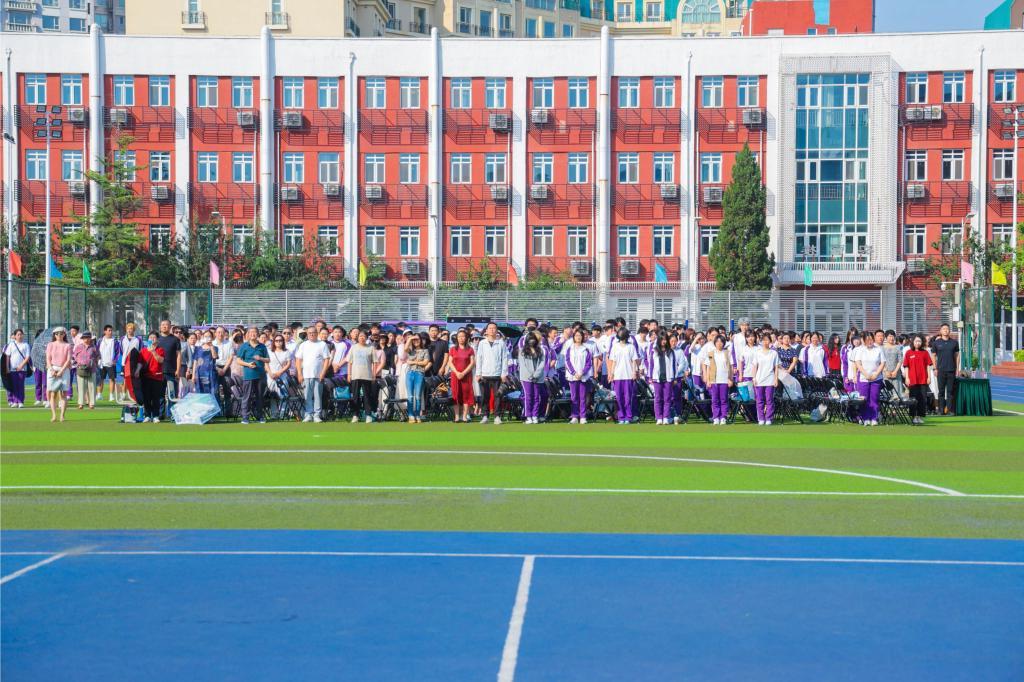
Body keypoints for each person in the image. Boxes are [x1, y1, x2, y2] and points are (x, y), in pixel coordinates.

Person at [474, 322, 509, 425]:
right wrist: (478, 373)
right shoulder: (482, 343)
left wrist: (504, 373)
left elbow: (505, 359)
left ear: (497, 330)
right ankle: (485, 416)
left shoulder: (501, 343)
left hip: (497, 374)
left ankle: (497, 416)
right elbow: (479, 358)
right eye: (490, 328)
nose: (492, 330)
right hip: (484, 374)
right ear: (486, 331)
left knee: (498, 396)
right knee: (485, 396)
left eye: (494, 328)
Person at [295, 327, 331, 423]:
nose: (311, 334)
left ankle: (317, 415)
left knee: (318, 396)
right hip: (306, 375)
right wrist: (299, 373)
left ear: (317, 333)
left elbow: (326, 359)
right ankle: (308, 414)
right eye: (310, 333)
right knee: (307, 396)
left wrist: (323, 372)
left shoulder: (322, 344)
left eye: (313, 332)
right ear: (307, 333)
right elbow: (298, 360)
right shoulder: (303, 345)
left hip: (318, 375)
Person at [234, 326, 269, 425]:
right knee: (247, 397)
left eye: (255, 332)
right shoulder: (244, 346)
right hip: (248, 375)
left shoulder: (262, 346)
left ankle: (260, 416)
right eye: (251, 332)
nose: (253, 334)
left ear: (258, 334)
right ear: (248, 334)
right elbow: (238, 360)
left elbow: (268, 360)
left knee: (260, 397)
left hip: (261, 375)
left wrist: (260, 358)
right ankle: (245, 417)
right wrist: (248, 364)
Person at [606, 328, 639, 424]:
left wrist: (634, 372)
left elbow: (634, 360)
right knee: (619, 397)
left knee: (627, 397)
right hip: (617, 375)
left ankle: (628, 417)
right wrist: (611, 374)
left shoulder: (631, 347)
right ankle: (621, 417)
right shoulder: (615, 346)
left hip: (628, 375)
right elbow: (613, 361)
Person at [347, 329, 379, 423]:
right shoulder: (353, 347)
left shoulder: (371, 348)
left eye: (364, 336)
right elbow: (349, 362)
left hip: (367, 375)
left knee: (367, 396)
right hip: (355, 375)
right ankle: (355, 415)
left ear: (367, 337)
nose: (362, 338)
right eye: (360, 336)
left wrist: (374, 375)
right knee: (355, 396)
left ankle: (368, 415)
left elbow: (375, 362)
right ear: (358, 338)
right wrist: (349, 374)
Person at [854, 331, 885, 426]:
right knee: (864, 399)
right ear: (864, 340)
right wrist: (865, 374)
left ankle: (874, 418)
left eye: (871, 339)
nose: (869, 341)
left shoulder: (878, 349)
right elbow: (858, 363)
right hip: (864, 378)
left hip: (876, 378)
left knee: (874, 398)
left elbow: (883, 363)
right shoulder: (860, 350)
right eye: (867, 340)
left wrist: (876, 374)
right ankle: (865, 418)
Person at [702, 335, 734, 425]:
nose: (719, 344)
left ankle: (723, 417)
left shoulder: (727, 353)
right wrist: (708, 380)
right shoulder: (711, 353)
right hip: (714, 380)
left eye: (721, 342)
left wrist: (730, 379)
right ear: (714, 343)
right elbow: (708, 367)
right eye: (717, 342)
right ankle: (716, 417)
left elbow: (731, 367)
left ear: (724, 343)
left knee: (724, 399)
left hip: (724, 380)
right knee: (715, 399)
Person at [903, 334, 933, 426]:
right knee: (913, 398)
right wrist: (907, 378)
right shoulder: (908, 352)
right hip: (912, 380)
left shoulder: (925, 353)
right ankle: (913, 416)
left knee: (922, 398)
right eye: (916, 341)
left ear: (922, 342)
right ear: (913, 342)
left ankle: (919, 416)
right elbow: (906, 366)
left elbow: (928, 365)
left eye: (919, 341)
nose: (918, 343)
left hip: (923, 379)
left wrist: (929, 377)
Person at [750, 333, 780, 426]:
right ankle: (761, 418)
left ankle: (769, 418)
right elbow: (755, 366)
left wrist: (776, 379)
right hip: (759, 380)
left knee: (769, 400)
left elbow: (776, 368)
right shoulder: (757, 353)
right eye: (763, 340)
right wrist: (754, 378)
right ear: (761, 341)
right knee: (759, 400)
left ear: (770, 341)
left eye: (767, 340)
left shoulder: (774, 353)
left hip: (770, 380)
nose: (765, 342)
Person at [446, 329, 475, 423]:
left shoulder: (470, 349)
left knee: (466, 395)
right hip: (455, 376)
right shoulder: (453, 349)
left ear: (466, 338)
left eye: (463, 336)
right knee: (456, 395)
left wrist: (463, 373)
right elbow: (450, 362)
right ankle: (457, 417)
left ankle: (465, 416)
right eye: (459, 337)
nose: (461, 338)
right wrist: (457, 373)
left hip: (466, 376)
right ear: (456, 338)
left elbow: (472, 363)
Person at [564, 329, 593, 424]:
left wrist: (582, 373)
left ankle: (583, 416)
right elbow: (567, 362)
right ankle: (575, 416)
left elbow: (589, 363)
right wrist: (574, 373)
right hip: (573, 377)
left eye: (580, 335)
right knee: (574, 397)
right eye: (576, 335)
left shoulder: (586, 349)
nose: (578, 337)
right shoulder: (570, 349)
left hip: (583, 377)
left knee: (583, 397)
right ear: (573, 337)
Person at [647, 334, 676, 426]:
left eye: (665, 340)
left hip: (668, 377)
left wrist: (674, 377)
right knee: (658, 398)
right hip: (657, 377)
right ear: (659, 340)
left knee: (667, 398)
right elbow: (651, 365)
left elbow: (674, 365)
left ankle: (666, 417)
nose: (664, 341)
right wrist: (650, 377)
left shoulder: (670, 351)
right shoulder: (654, 351)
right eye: (662, 339)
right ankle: (659, 417)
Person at [930, 323, 959, 416]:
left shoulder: (954, 342)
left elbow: (957, 356)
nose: (946, 330)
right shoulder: (936, 343)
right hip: (940, 370)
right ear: (940, 331)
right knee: (941, 391)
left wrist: (957, 369)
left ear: (949, 330)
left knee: (950, 392)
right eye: (944, 329)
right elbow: (933, 356)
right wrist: (935, 368)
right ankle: (941, 410)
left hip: (951, 370)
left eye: (947, 329)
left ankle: (950, 410)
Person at [45, 328, 73, 422]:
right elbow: (48, 359)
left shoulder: (68, 345)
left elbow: (68, 359)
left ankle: (62, 415)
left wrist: (61, 371)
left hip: (64, 370)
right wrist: (51, 369)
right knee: (53, 393)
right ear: (54, 335)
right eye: (57, 334)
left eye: (61, 333)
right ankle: (53, 415)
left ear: (64, 334)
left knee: (64, 393)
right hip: (52, 369)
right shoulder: (50, 345)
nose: (59, 335)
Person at [518, 332, 547, 424]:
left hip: (538, 377)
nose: (532, 341)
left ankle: (535, 415)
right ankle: (528, 416)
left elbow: (542, 363)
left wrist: (536, 375)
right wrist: (531, 375)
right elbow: (523, 365)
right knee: (528, 396)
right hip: (526, 377)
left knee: (536, 396)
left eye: (533, 339)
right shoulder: (522, 351)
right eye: (530, 339)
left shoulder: (540, 350)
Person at [155, 320, 182, 416]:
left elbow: (179, 355)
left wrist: (178, 370)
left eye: (166, 325)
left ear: (170, 326)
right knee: (159, 395)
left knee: (172, 394)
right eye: (162, 325)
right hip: (158, 372)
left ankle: (171, 414)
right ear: (160, 326)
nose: (164, 326)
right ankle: (159, 414)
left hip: (172, 371)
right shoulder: (156, 339)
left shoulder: (175, 339)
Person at [404, 334, 431, 423]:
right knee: (410, 396)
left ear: (421, 340)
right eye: (414, 340)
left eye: (417, 339)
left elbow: (425, 362)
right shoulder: (411, 350)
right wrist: (411, 338)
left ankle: (417, 415)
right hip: (409, 373)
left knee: (418, 396)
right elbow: (405, 349)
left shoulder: (425, 351)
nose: (416, 341)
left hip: (419, 373)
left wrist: (412, 362)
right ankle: (411, 415)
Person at [139, 332, 165, 423]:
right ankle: (147, 415)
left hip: (157, 376)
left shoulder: (160, 350)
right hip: (145, 376)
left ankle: (156, 415)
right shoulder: (143, 350)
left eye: (154, 337)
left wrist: (153, 351)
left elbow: (160, 360)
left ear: (157, 340)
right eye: (150, 337)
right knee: (146, 397)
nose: (152, 339)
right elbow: (140, 362)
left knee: (156, 397)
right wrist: (137, 371)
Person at [72, 331, 100, 410]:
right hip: (81, 369)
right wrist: (78, 363)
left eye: (87, 338)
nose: (86, 339)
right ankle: (81, 403)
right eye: (84, 338)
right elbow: (74, 356)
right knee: (81, 387)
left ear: (90, 338)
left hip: (92, 369)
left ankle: (92, 403)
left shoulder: (94, 347)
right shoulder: (79, 347)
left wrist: (94, 362)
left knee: (92, 387)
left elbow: (98, 356)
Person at [267, 334, 293, 419]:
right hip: (270, 376)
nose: (278, 342)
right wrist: (270, 373)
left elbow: (288, 364)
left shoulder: (286, 352)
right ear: (273, 342)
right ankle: (274, 414)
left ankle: (282, 413)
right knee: (273, 395)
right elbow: (266, 364)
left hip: (282, 376)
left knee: (283, 395)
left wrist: (279, 373)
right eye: (276, 340)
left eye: (280, 340)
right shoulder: (269, 351)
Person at [4, 329, 31, 408]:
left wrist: (21, 365)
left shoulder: (25, 345)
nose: (20, 336)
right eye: (18, 334)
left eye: (21, 334)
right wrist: (7, 368)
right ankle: (15, 401)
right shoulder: (11, 345)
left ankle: (20, 401)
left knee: (20, 385)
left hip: (22, 369)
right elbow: (7, 356)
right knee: (14, 385)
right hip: (12, 369)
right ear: (15, 336)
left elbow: (27, 357)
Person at [96, 325, 119, 402]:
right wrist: (98, 359)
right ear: (104, 331)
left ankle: (111, 395)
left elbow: (117, 352)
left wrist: (115, 360)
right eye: (109, 330)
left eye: (111, 330)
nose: (110, 332)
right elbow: (96, 351)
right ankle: (99, 395)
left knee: (112, 379)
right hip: (101, 364)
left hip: (111, 364)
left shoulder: (115, 341)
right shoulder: (100, 340)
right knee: (100, 380)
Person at [881, 330, 904, 398]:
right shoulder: (882, 348)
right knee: (887, 391)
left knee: (897, 391)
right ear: (886, 337)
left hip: (896, 373)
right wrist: (885, 371)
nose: (892, 338)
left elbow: (900, 360)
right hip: (885, 373)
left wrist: (895, 371)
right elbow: (881, 361)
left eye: (893, 336)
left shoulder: (898, 347)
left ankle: (897, 407)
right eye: (890, 336)